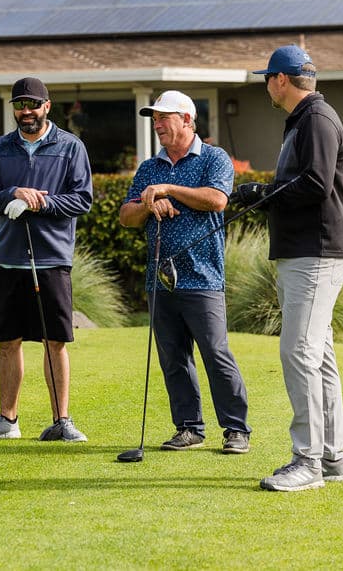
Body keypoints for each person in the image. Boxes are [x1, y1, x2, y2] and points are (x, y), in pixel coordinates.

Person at [232, 44, 343, 492]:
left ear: (281, 79)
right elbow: (309, 181)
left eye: (268, 77)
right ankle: (331, 457)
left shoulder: (316, 119)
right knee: (317, 355)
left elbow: (317, 185)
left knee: (298, 352)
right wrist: (263, 193)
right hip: (308, 251)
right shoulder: (307, 120)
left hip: (314, 252)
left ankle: (308, 462)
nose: (267, 84)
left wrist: (262, 192)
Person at [119, 90, 252, 455]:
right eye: (155, 118)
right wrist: (150, 202)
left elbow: (217, 199)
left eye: (165, 117)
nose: (158, 124)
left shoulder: (214, 158)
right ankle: (189, 428)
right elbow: (126, 216)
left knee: (215, 353)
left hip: (204, 277)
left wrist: (170, 190)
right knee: (173, 358)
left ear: (188, 120)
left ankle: (236, 430)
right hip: (160, 280)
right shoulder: (149, 168)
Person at [0, 77, 93, 442]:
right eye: (20, 106)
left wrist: (43, 201)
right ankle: (7, 420)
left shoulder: (71, 148)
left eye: (33, 105)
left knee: (55, 341)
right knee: (8, 341)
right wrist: (11, 193)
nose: (26, 113)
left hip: (52, 259)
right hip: (7, 259)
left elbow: (82, 200)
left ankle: (61, 421)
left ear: (47, 107)